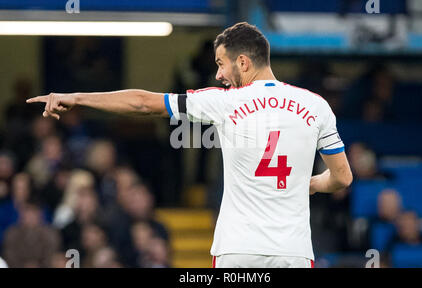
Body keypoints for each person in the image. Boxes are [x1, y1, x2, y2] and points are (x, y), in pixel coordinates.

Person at [26, 22, 353, 268]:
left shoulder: (225, 102)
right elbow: (342, 178)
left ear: (243, 62)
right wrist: (308, 184)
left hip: (237, 252)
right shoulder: (315, 106)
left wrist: (77, 97)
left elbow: (142, 103)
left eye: (221, 64)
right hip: (293, 252)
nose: (219, 74)